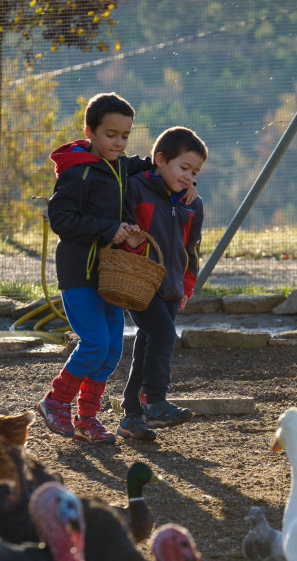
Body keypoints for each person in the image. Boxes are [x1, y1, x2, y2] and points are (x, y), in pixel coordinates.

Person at [37, 93, 194, 445]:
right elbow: (62, 219)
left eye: (125, 135)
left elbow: (156, 167)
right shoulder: (77, 173)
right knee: (94, 343)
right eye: (111, 135)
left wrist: (187, 184)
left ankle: (86, 418)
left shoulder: (121, 166)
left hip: (110, 275)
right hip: (80, 274)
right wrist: (108, 229)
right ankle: (55, 401)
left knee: (111, 349)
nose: (119, 142)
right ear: (90, 132)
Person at [115, 127, 207, 441]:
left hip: (170, 285)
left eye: (194, 172)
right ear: (160, 160)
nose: (189, 177)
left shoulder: (192, 205)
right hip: (138, 281)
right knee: (163, 333)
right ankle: (154, 400)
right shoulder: (135, 188)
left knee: (148, 342)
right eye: (183, 168)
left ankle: (131, 417)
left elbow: (192, 249)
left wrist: (187, 286)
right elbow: (123, 221)